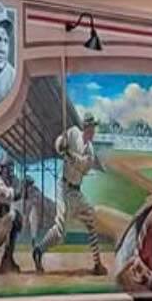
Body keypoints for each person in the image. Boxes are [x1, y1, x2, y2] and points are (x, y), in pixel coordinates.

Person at [33, 113, 107, 275]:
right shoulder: (73, 132)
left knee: (90, 218)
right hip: (64, 188)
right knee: (60, 232)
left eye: (93, 127)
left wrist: (70, 154)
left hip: (76, 192)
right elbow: (58, 144)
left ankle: (97, 263)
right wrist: (62, 145)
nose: (93, 130)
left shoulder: (90, 150)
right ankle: (39, 250)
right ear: (85, 127)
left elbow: (83, 166)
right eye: (90, 127)